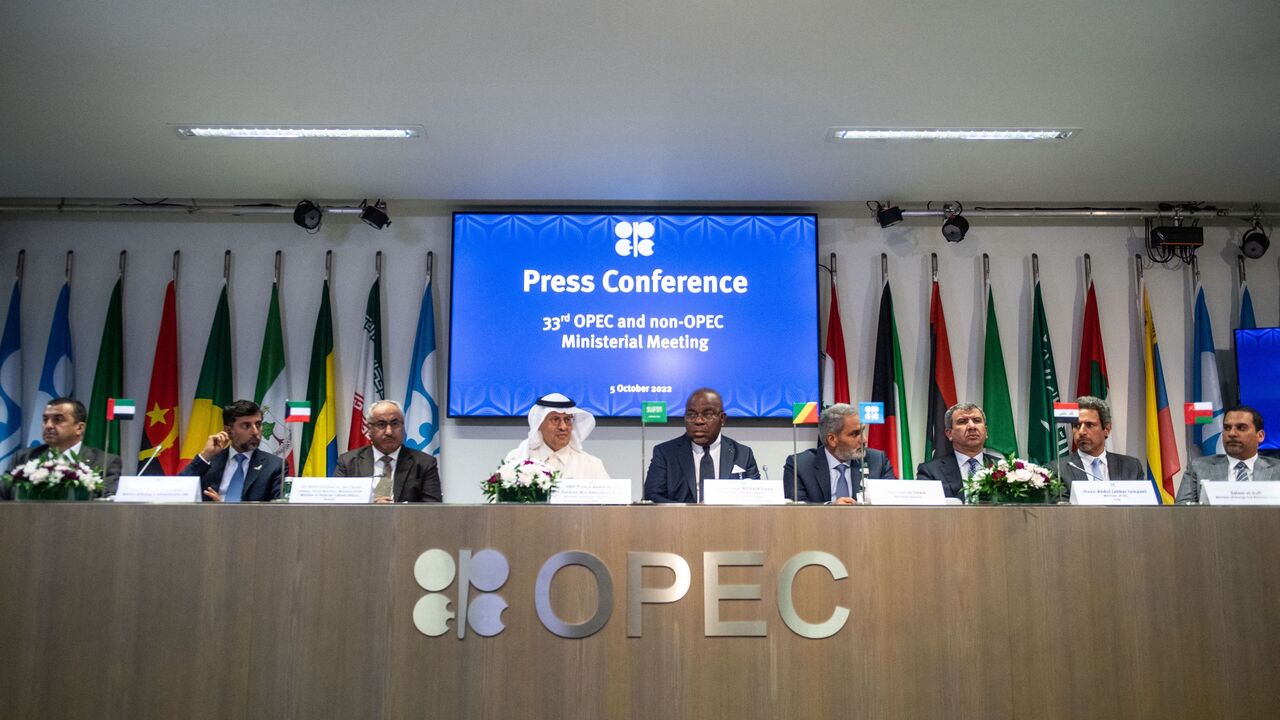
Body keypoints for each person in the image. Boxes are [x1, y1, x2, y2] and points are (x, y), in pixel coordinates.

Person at [643, 387, 759, 503]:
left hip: (728, 520)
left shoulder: (743, 454)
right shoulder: (665, 453)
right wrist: (693, 512)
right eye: (691, 415)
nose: (698, 421)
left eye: (707, 415)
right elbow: (652, 496)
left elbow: (756, 498)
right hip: (681, 519)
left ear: (722, 419)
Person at [0, 397, 122, 499]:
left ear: (79, 428)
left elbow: (108, 502)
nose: (48, 425)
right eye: (45, 420)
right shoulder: (24, 458)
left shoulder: (104, 462)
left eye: (58, 420)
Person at [783, 403, 895, 504]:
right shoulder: (799, 465)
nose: (864, 440)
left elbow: (891, 504)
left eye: (862, 431)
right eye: (854, 434)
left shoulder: (878, 461)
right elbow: (796, 509)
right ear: (832, 439)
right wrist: (831, 508)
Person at [336, 399, 442, 503]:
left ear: (403, 426)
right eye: (381, 424)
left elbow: (432, 509)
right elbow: (337, 506)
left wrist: (394, 511)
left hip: (406, 520)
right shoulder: (348, 462)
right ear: (369, 429)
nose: (389, 432)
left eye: (395, 423)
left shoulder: (425, 463)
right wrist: (370, 507)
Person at [181, 400, 284, 502]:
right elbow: (178, 491)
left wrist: (225, 510)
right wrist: (205, 455)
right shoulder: (210, 461)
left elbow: (279, 512)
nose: (255, 431)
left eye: (258, 424)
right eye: (246, 425)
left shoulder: (275, 466)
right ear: (228, 430)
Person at [1177, 405, 1280, 503]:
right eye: (1227, 428)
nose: (1231, 433)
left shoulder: (1277, 470)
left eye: (1241, 428)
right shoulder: (1198, 467)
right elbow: (1181, 512)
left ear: (1260, 436)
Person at [1051, 396, 1144, 497]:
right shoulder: (1057, 470)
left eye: (1090, 425)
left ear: (1107, 429)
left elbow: (1140, 507)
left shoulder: (1132, 466)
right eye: (1076, 426)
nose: (1081, 432)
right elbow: (1061, 509)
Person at [503, 393, 609, 479]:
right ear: (539, 423)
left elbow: (609, 504)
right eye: (555, 420)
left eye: (567, 420)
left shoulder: (591, 465)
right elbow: (499, 502)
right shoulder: (517, 458)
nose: (563, 427)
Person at [916, 402, 1002, 500]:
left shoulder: (1005, 468)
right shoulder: (931, 471)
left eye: (977, 421)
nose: (972, 426)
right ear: (949, 433)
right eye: (962, 422)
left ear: (986, 431)